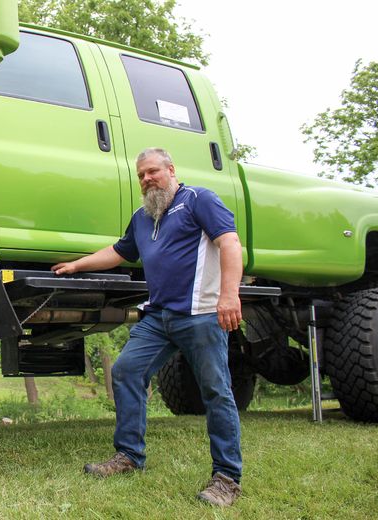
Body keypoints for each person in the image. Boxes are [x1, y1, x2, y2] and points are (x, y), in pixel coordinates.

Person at [51, 147, 244, 507]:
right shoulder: (143, 217)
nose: (146, 179)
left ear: (171, 169)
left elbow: (230, 242)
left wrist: (229, 295)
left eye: (153, 171)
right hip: (158, 317)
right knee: (126, 371)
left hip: (200, 314)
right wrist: (77, 265)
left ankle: (227, 478)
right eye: (141, 175)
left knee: (215, 391)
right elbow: (119, 251)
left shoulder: (198, 199)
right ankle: (129, 456)